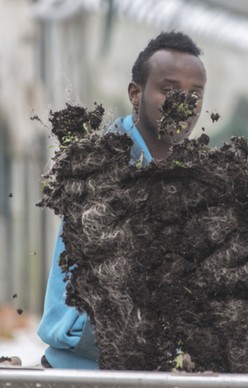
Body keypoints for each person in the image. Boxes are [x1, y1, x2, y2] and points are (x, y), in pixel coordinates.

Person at [37, 31, 207, 369]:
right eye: (169, 89)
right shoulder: (103, 165)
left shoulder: (189, 175)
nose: (183, 103)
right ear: (136, 93)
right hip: (82, 367)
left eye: (195, 93)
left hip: (145, 367)